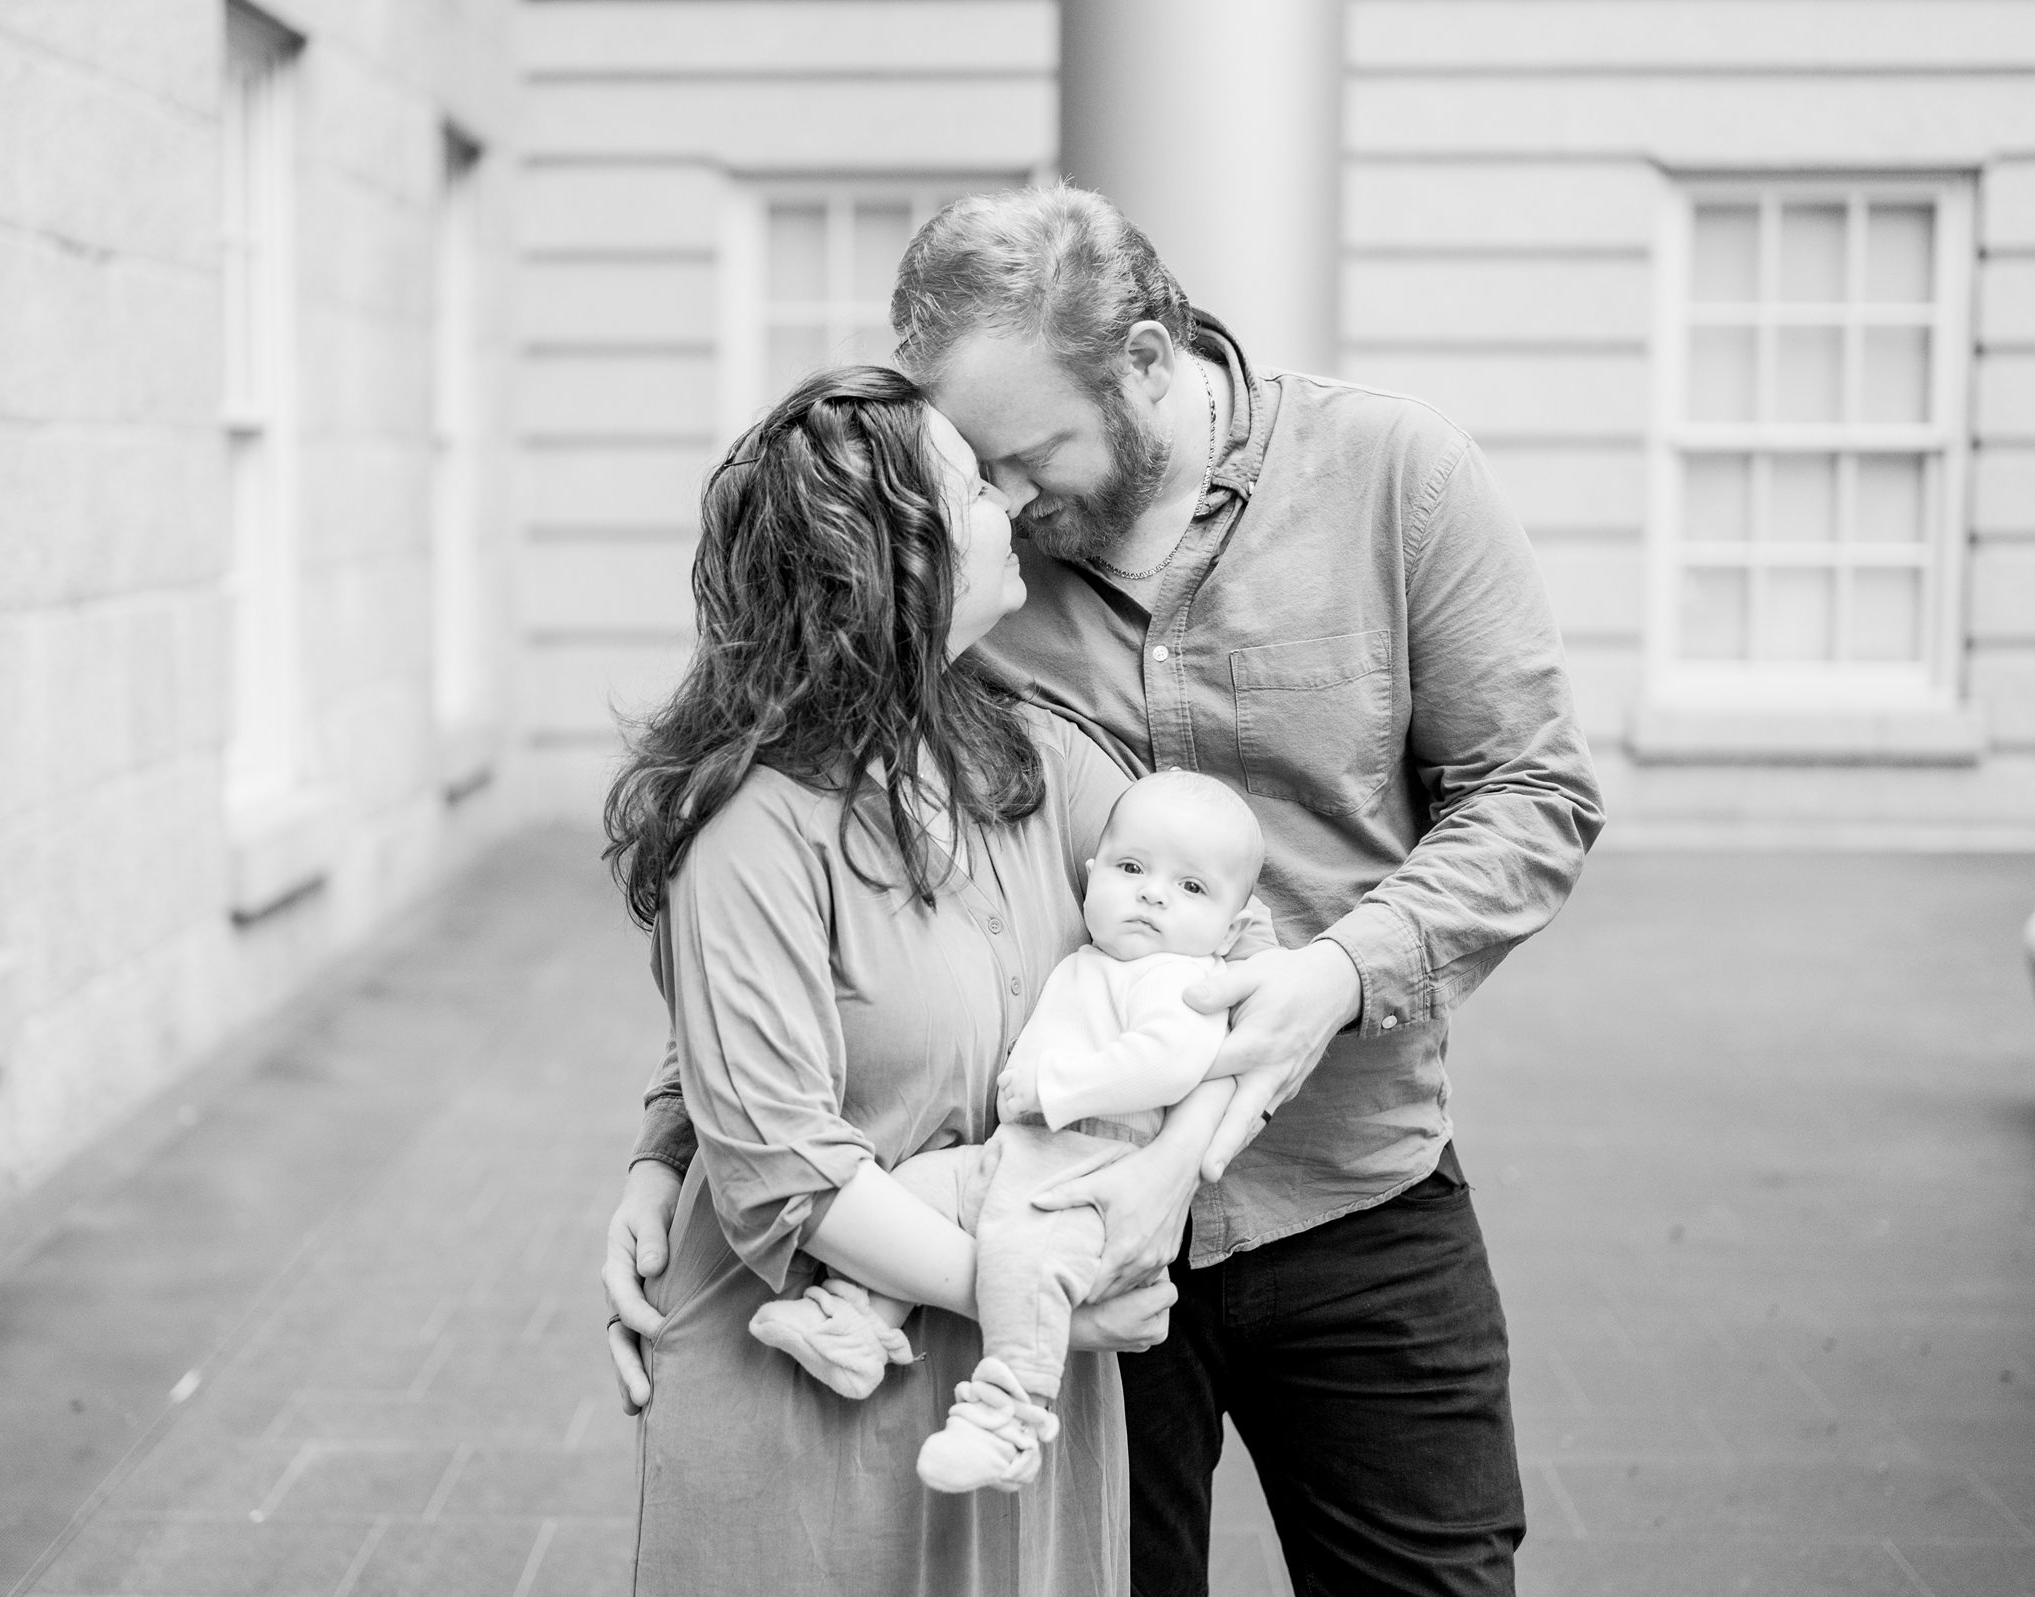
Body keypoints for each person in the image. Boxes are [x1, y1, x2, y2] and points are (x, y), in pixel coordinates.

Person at [605, 184, 1607, 1596]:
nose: (1010, 497)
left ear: (1144, 362)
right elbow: (814, 884)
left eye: (1027, 453)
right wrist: (673, 1142)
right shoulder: (984, 586)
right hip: (1061, 1246)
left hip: (1347, 1187)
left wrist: (1334, 976)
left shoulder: (1395, 475)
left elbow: (1536, 795)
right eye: (979, 472)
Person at [606, 363, 1245, 1595]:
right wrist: (1043, 1306)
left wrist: (1165, 1175)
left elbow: (1245, 964)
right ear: (892, 562)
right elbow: (783, 1170)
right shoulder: (753, 830)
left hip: (1017, 1394)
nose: (1017, 499)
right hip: (818, 1398)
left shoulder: (1039, 760)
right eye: (976, 485)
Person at [749, 772, 1280, 1501]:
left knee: (1024, 1265)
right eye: (1132, 870)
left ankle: (1008, 1416)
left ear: (1230, 926)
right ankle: (858, 1321)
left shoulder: (1181, 978)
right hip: (1016, 1154)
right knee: (916, 1190)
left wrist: (1056, 1087)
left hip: (1089, 1174)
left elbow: (1169, 1060)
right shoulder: (1099, 958)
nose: (1154, 894)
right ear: (1091, 878)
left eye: (1192, 888)